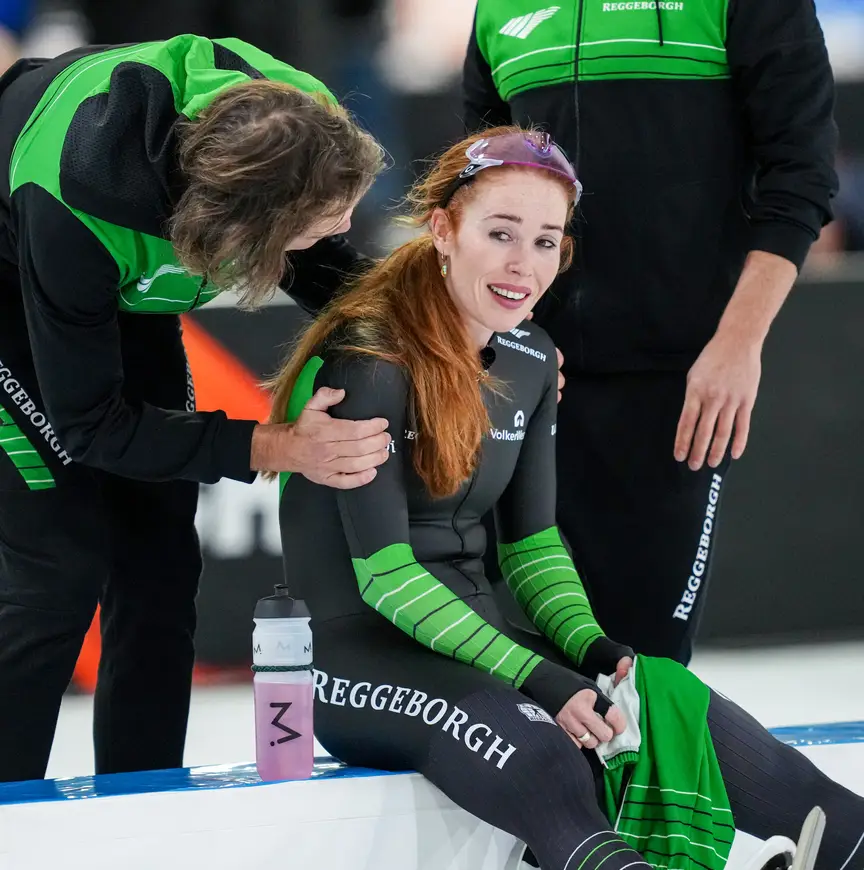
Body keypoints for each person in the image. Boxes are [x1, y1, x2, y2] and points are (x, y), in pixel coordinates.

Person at [272, 128, 863, 870]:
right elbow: (386, 579)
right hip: (359, 662)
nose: (523, 264)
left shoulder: (527, 357)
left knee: (676, 703)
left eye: (546, 241)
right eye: (500, 233)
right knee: (548, 753)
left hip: (474, 644)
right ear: (444, 229)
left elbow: (531, 547)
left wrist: (594, 651)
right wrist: (547, 680)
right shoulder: (369, 361)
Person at [0, 34, 396, 784]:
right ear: (243, 232)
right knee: (57, 574)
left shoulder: (303, 124)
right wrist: (275, 445)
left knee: (159, 568)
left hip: (141, 243)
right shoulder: (77, 203)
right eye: (329, 215)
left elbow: (334, 270)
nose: (347, 225)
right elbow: (91, 425)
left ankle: (143, 799)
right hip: (19, 270)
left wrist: (484, 354)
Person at [462, 0, 839, 664]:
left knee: (644, 658)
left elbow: (801, 178)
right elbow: (473, 186)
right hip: (524, 373)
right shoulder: (498, 9)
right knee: (486, 645)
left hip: (676, 384)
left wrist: (738, 344)